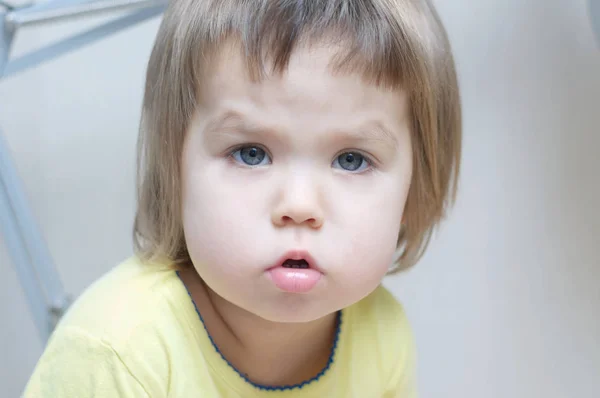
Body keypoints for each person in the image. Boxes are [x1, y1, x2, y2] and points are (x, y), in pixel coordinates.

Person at [23, 0, 461, 396]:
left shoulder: (383, 336)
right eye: (251, 154)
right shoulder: (117, 353)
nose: (299, 206)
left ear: (416, 189)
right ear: (174, 169)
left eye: (351, 160)